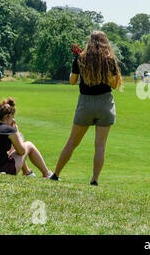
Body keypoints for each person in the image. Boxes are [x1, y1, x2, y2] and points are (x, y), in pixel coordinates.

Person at [50, 31, 123, 185]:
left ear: (89, 42)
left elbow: (72, 81)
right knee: (100, 146)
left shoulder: (80, 58)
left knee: (72, 142)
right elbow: (114, 85)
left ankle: (55, 174)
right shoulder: (109, 60)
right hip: (105, 104)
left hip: (85, 103)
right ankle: (95, 180)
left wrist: (75, 68)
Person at [0, 98, 52, 178]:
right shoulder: (9, 130)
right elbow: (22, 152)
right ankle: (47, 174)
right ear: (7, 116)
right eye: (12, 118)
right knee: (29, 145)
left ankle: (27, 172)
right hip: (2, 170)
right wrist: (16, 131)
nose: (13, 120)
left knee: (14, 145)